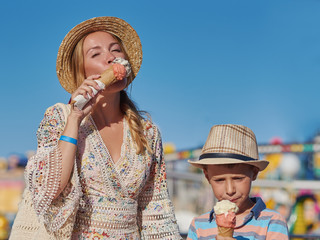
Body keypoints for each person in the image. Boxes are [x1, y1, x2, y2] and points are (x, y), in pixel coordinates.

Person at [10, 16, 181, 239]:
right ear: (81, 71)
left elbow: (157, 208)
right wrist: (75, 119)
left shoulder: (147, 132)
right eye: (96, 54)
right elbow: (48, 189)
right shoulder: (59, 117)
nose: (111, 58)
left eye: (116, 50)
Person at [186, 124, 289, 240]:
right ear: (207, 176)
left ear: (254, 173)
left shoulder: (273, 222)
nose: (230, 190)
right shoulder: (198, 226)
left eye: (238, 178)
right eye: (219, 180)